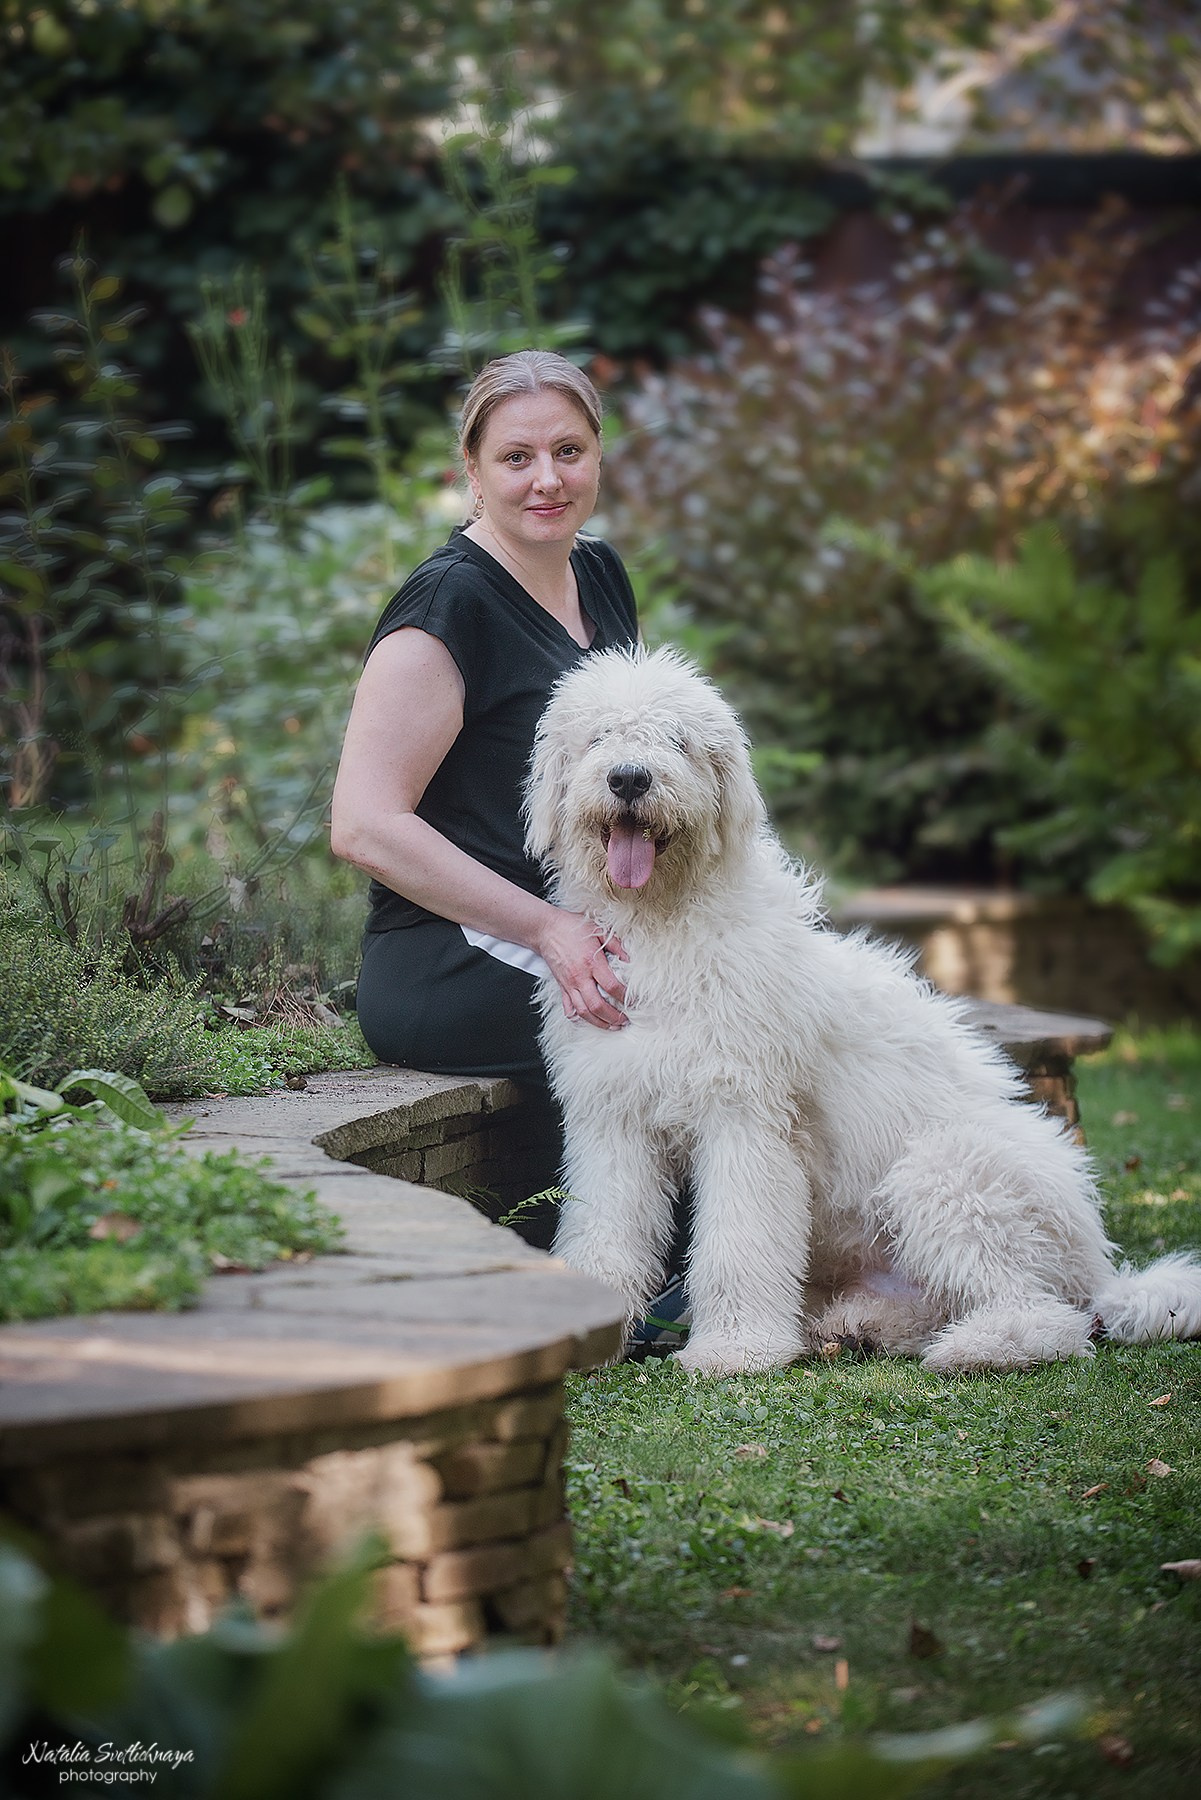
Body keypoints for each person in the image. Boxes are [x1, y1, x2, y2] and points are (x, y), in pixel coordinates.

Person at [329, 351, 640, 1241]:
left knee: (748, 986)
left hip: (569, 925)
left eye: (569, 451)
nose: (547, 479)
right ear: (471, 471)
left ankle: (838, 1247)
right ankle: (643, 1272)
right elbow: (364, 825)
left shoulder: (602, 574)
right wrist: (547, 929)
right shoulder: (447, 605)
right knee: (663, 1017)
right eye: (516, 457)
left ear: (597, 456)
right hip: (450, 956)